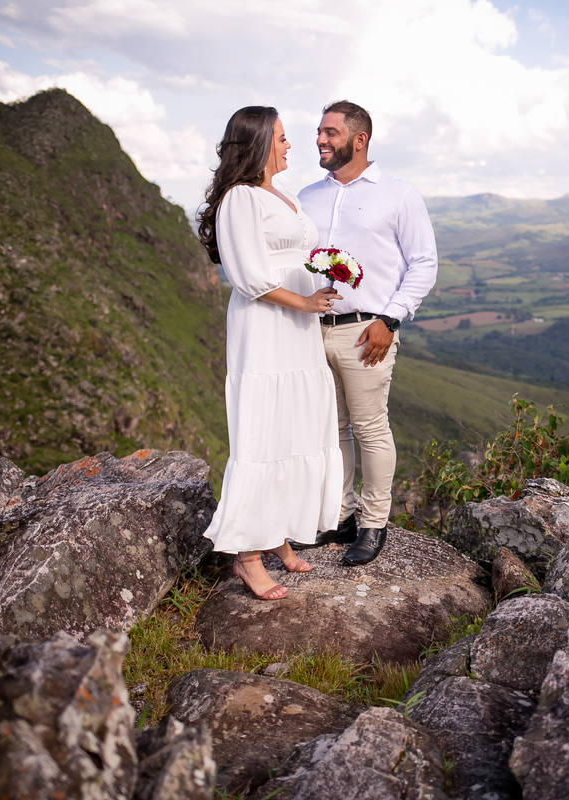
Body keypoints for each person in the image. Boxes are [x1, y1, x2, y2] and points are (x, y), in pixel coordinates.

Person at [198, 106, 344, 599]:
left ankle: (276, 532)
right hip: (266, 326)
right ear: (258, 143)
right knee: (264, 429)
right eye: (281, 137)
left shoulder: (282, 195)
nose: (289, 145)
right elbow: (247, 277)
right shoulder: (239, 198)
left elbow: (295, 257)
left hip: (298, 327)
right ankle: (246, 556)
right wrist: (304, 301)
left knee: (293, 423)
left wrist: (328, 276)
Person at [295, 101, 438, 566]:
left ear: (359, 140)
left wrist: (389, 320)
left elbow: (424, 264)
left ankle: (374, 524)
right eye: (319, 132)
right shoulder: (306, 197)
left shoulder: (398, 195)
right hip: (312, 329)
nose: (320, 140)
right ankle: (339, 517)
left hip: (366, 331)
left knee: (370, 428)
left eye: (330, 132)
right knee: (330, 429)